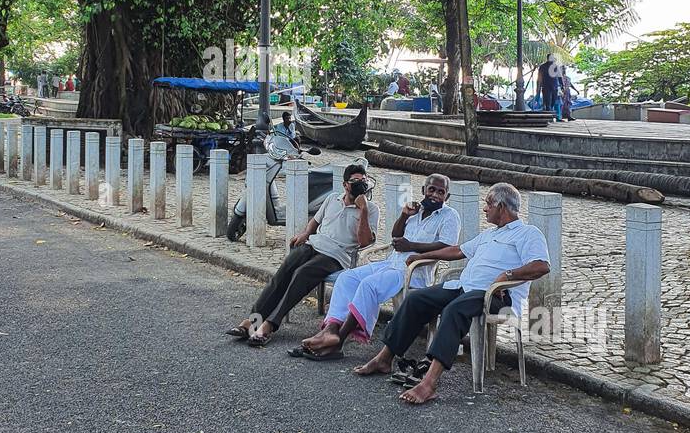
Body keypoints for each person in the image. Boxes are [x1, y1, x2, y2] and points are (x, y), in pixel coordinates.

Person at [353, 181, 550, 405]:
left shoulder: (527, 233)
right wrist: (418, 255)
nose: (485, 209)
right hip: (463, 288)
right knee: (416, 299)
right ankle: (384, 358)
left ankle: (429, 383)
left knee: (454, 309)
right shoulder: (489, 234)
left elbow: (541, 266)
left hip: (497, 297)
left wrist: (508, 274)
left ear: (501, 206)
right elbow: (458, 250)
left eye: (488, 204)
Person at [294, 174, 460, 360]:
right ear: (423, 190)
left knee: (369, 286)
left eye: (441, 192)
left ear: (447, 196)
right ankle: (330, 331)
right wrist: (404, 215)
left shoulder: (450, 216)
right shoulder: (416, 209)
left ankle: (338, 342)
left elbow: (448, 247)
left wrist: (413, 246)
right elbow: (396, 235)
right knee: (347, 278)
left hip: (412, 270)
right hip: (391, 262)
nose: (435, 195)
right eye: (431, 189)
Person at [227, 163, 379, 346]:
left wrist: (362, 210)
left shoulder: (371, 209)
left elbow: (364, 242)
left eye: (363, 181)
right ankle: (252, 321)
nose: (360, 184)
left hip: (336, 256)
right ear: (346, 185)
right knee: (283, 273)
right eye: (355, 181)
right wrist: (305, 234)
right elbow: (314, 222)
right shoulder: (332, 199)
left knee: (301, 274)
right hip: (313, 245)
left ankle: (269, 325)